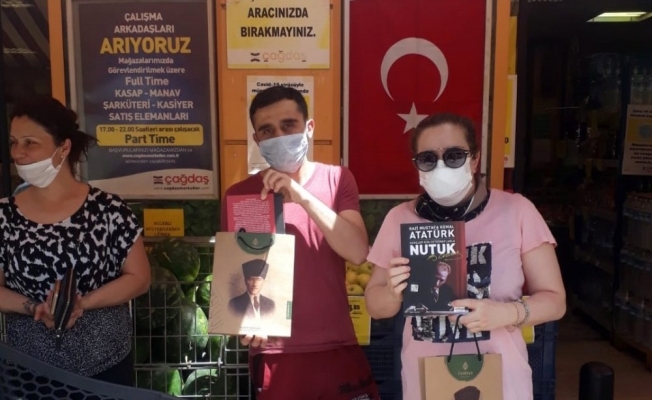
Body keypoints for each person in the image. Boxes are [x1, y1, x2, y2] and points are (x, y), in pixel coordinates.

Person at [364, 113, 566, 400]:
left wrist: (507, 313)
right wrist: (392, 293)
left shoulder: (516, 211)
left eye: (454, 155)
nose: (441, 165)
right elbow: (375, 306)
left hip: (502, 385)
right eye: (428, 159)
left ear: (474, 159)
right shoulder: (399, 219)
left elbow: (555, 301)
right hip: (427, 385)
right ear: (417, 166)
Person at [220, 86, 380, 399]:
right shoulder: (240, 195)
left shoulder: (337, 180)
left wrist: (302, 196)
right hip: (276, 355)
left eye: (288, 125)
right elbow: (238, 273)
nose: (279, 135)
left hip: (337, 346)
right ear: (257, 139)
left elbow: (358, 252)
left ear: (309, 127)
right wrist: (246, 323)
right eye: (267, 130)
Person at [0, 96, 151, 386]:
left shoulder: (109, 209)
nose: (18, 153)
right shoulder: (4, 215)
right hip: (29, 371)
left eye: (30, 143)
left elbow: (139, 278)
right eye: (13, 142)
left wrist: (82, 304)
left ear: (64, 148)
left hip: (106, 366)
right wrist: (34, 307)